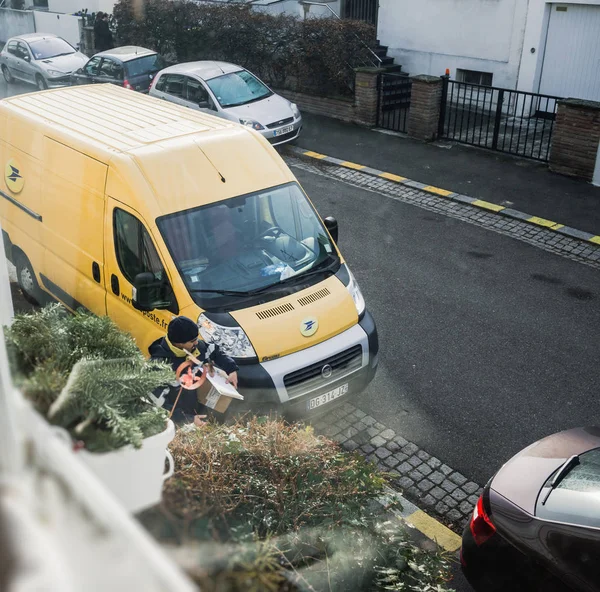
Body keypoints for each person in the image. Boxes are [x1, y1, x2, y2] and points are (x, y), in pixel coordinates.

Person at [149, 316, 239, 424]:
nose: (197, 343)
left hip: (199, 410)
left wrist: (231, 369)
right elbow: (157, 405)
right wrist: (187, 419)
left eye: (196, 338)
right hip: (179, 424)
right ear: (179, 343)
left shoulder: (196, 348)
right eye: (192, 341)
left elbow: (215, 351)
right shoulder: (158, 367)